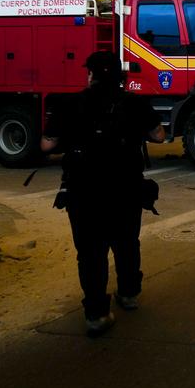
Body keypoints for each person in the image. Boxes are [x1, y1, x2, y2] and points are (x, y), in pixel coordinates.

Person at [41, 50, 165, 337]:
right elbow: (159, 135)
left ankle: (96, 314)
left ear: (90, 75)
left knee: (90, 252)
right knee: (126, 243)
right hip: (126, 188)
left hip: (83, 191)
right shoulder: (135, 103)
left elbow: (47, 145)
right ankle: (129, 294)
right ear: (120, 76)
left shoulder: (70, 104)